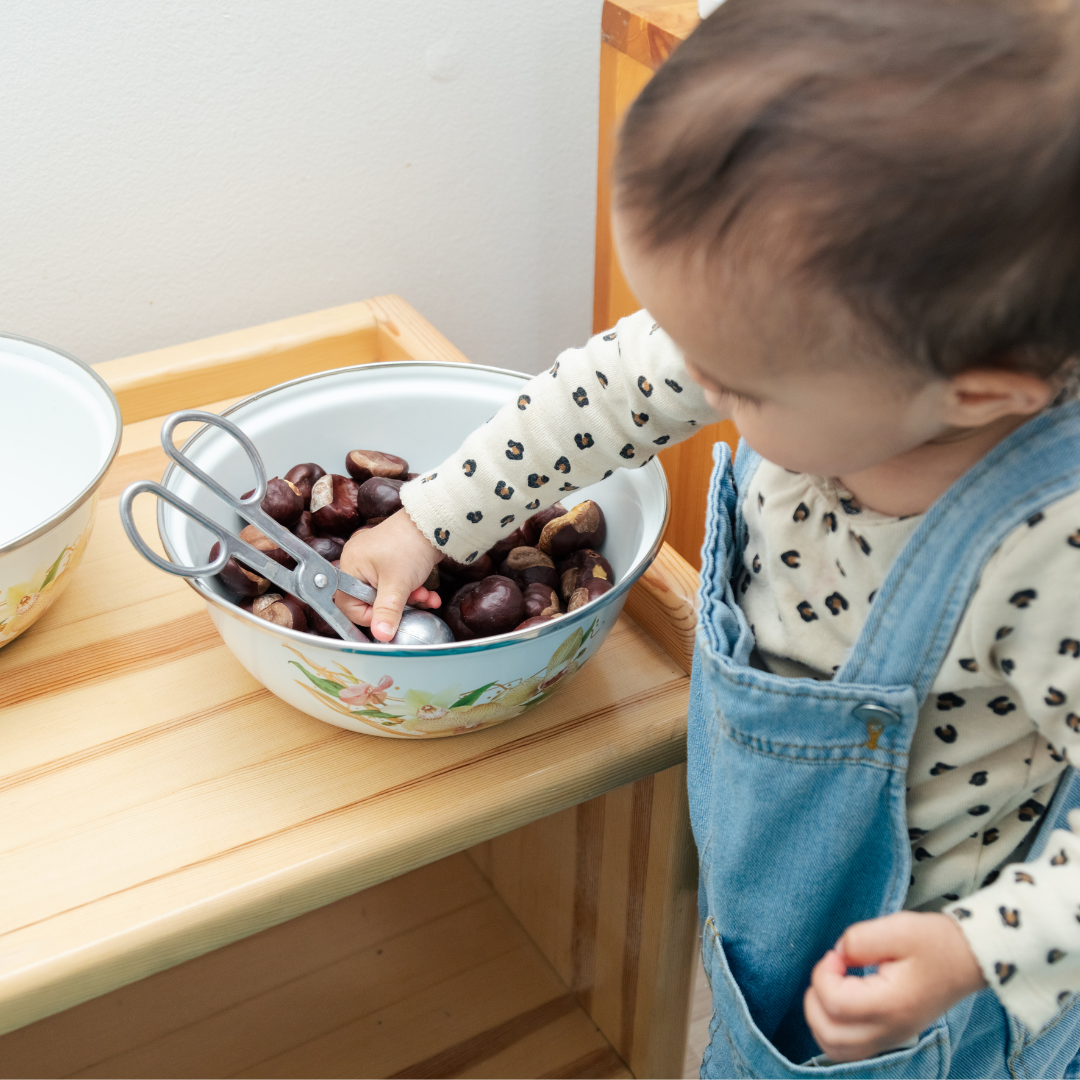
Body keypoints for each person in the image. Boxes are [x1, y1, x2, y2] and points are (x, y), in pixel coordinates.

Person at [336, 0, 1080, 1073]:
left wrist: (978, 950)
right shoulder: (794, 330)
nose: (690, 378)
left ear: (974, 393)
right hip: (765, 920)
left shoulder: (1049, 551)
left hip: (929, 998)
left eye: (728, 382)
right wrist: (431, 518)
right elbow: (604, 389)